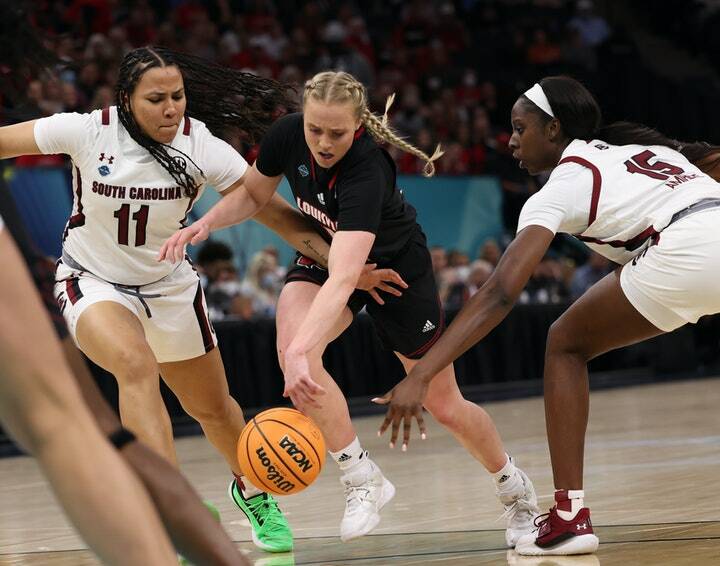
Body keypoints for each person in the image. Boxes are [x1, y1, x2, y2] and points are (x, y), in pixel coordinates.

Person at [0, 46, 400, 554]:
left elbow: (272, 213)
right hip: (92, 279)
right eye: (157, 99)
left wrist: (342, 265)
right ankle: (173, 507)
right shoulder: (87, 129)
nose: (172, 108)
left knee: (214, 410)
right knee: (134, 365)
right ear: (127, 100)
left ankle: (251, 491)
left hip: (170, 290)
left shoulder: (201, 144)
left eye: (178, 96)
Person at [159, 70, 540, 546]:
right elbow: (256, 194)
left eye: (335, 133)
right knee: (293, 354)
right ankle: (361, 478)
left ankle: (514, 489)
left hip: (394, 274)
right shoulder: (287, 134)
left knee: (444, 404)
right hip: (330, 254)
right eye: (314, 129)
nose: (321, 141)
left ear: (358, 126)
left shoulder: (366, 168)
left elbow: (346, 276)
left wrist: (304, 350)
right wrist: (207, 224)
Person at [375, 75, 720, 556]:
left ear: (554, 130)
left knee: (565, 344)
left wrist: (424, 374)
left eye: (520, 128)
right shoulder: (640, 152)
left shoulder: (562, 185)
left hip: (684, 249)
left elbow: (499, 292)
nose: (511, 140)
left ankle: (569, 517)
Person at [0, 216, 179, 566]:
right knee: (77, 420)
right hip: (87, 276)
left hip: (163, 280)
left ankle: (167, 518)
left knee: (66, 425)